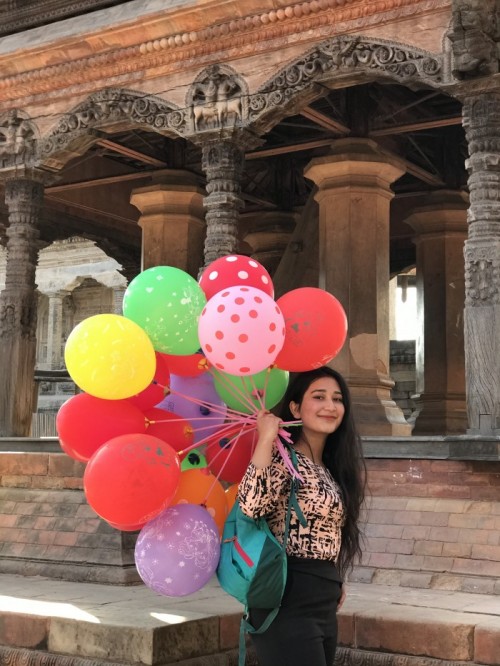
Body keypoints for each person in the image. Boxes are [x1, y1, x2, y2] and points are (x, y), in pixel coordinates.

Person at [238, 366, 366, 666]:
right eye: (318, 397)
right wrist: (266, 438)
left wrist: (333, 578)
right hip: (286, 595)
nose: (330, 406)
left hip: (323, 596)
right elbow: (251, 504)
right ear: (295, 408)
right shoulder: (284, 458)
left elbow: (327, 532)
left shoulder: (330, 468)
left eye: (337, 399)